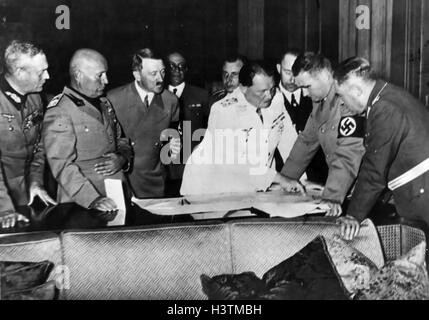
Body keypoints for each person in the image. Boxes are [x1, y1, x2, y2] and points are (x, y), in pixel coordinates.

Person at [334, 57, 429, 240]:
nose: (342, 103)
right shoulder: (388, 96)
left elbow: (374, 170)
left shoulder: (384, 108)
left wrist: (353, 215)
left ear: (356, 90)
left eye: (341, 95)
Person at [42, 49, 132, 216]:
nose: (106, 81)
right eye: (100, 75)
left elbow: (121, 140)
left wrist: (122, 158)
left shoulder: (104, 102)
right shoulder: (60, 110)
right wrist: (93, 199)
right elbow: (61, 165)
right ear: (78, 75)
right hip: (82, 202)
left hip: (117, 193)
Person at [180, 60, 292, 195]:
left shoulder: (277, 99)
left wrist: (300, 180)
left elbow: (288, 140)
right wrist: (279, 179)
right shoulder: (223, 111)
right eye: (262, 91)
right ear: (243, 88)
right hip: (212, 187)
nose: (269, 95)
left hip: (257, 184)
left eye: (272, 89)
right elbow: (237, 164)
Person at [275, 52, 366, 216]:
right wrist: (284, 181)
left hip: (363, 190)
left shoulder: (346, 99)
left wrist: (332, 197)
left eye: (307, 87)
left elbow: (348, 153)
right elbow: (306, 142)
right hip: (345, 188)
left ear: (325, 76)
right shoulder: (320, 101)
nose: (306, 94)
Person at [107, 48, 181, 199]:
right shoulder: (114, 99)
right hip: (122, 180)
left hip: (153, 182)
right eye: (153, 74)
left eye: (163, 71)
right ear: (137, 75)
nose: (160, 79)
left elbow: (172, 132)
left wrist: (174, 142)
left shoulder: (170, 101)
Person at [0, 40, 56, 229]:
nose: (47, 76)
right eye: (41, 72)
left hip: (25, 199)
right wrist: (4, 209)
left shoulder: (35, 98)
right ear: (19, 73)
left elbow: (38, 146)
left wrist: (35, 182)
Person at [276, 50, 328, 183]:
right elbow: (305, 142)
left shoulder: (321, 98)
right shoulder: (271, 100)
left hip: (324, 179)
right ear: (279, 69)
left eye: (295, 74)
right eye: (287, 72)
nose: (292, 79)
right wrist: (285, 181)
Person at [165, 51, 210, 197]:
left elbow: (210, 130)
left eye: (181, 66)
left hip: (192, 165)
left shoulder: (201, 95)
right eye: (172, 66)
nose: (176, 70)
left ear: (186, 69)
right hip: (164, 167)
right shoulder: (157, 94)